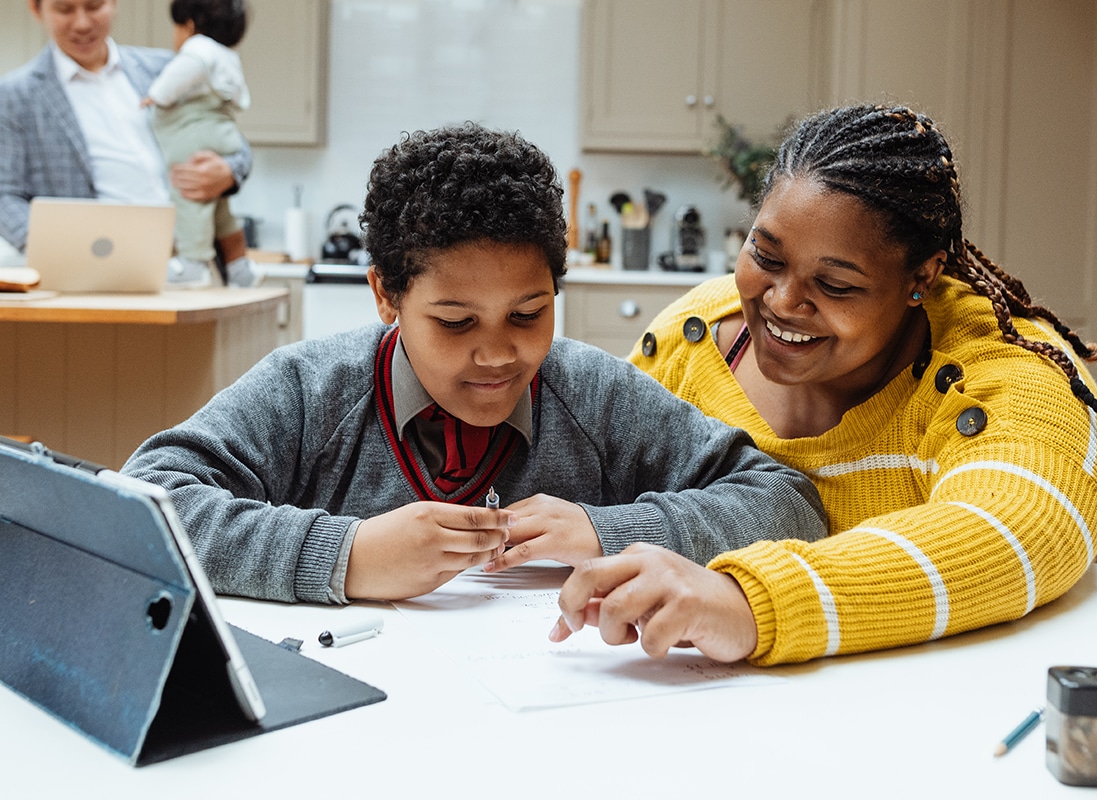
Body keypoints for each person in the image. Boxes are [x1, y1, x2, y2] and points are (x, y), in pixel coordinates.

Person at [121, 122, 827, 604]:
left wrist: (605, 531)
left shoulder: (593, 395)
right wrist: (350, 554)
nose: (497, 354)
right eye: (455, 323)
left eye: (528, 314)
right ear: (385, 295)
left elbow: (789, 504)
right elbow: (142, 504)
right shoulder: (308, 391)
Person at [550, 104, 1097, 666]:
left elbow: (1015, 532)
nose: (781, 301)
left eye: (835, 284)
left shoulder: (1006, 370)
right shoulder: (691, 338)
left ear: (922, 276)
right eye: (764, 255)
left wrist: (749, 600)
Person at [0, 0, 252, 287]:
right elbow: (4, 194)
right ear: (36, 9)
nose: (82, 23)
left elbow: (225, 133)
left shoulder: (165, 69)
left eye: (94, 6)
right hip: (91, 277)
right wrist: (52, 247)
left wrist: (230, 171)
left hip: (193, 267)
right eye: (65, 10)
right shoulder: (15, 95)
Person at [141, 0, 260, 288]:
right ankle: (240, 268)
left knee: (188, 194)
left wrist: (155, 96)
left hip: (194, 137)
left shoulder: (196, 51)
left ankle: (193, 263)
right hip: (220, 133)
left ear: (190, 25)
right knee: (220, 210)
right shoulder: (227, 56)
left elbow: (180, 73)